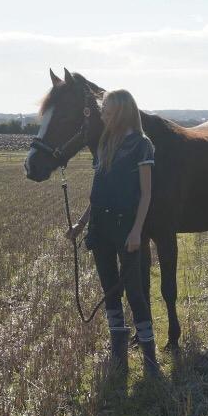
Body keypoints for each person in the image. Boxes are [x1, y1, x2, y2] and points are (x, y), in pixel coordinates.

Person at [64, 89, 162, 379]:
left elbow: (146, 194)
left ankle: (149, 357)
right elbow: (98, 193)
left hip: (126, 228)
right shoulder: (105, 143)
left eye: (106, 111)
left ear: (120, 112)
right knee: (109, 290)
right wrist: (81, 224)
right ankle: (118, 353)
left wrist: (137, 231)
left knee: (135, 292)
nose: (103, 115)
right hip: (101, 227)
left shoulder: (142, 145)